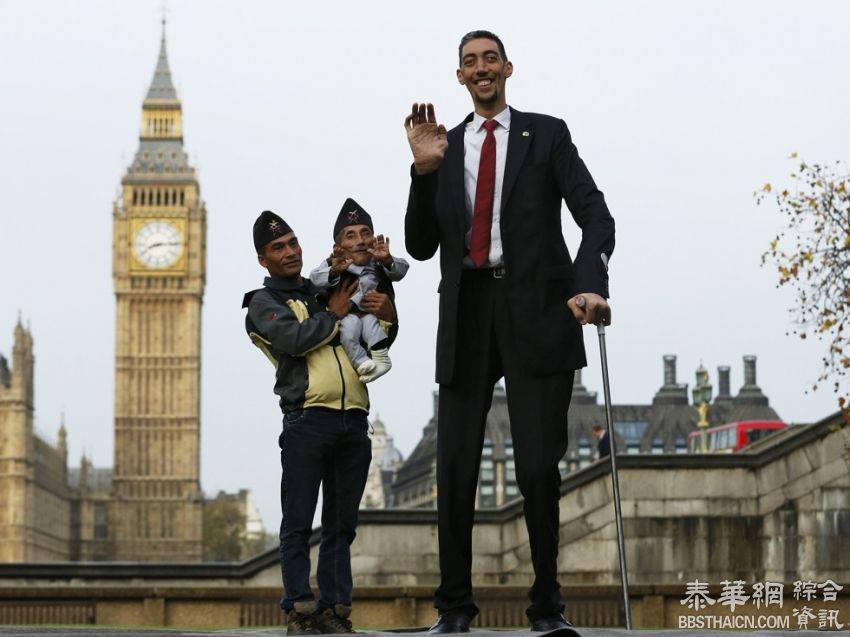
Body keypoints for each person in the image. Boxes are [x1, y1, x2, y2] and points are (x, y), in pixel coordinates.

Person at [403, 30, 615, 634]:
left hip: (539, 308)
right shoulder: (443, 149)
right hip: (468, 310)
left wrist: (590, 282)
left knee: (537, 467)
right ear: (460, 78)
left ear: (508, 68)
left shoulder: (546, 134)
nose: (481, 69)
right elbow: (420, 246)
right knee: (457, 469)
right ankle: (454, 610)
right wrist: (422, 171)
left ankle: (547, 609)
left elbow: (594, 213)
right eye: (469, 62)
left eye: (489, 58)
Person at [242, 210, 395, 635]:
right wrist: (331, 313)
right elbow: (292, 340)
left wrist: (389, 310)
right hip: (307, 420)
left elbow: (371, 328)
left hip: (354, 421)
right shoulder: (263, 302)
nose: (289, 252)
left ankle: (334, 609)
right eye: (278, 247)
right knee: (297, 521)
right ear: (263, 259)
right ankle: (299, 610)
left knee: (341, 526)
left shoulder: (327, 284)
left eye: (292, 243)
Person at [310, 198, 409, 383]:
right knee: (349, 329)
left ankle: (381, 360)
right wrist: (334, 271)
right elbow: (315, 279)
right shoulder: (332, 264)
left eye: (365, 234)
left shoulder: (379, 262)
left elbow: (401, 269)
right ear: (338, 247)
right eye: (351, 236)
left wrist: (387, 260)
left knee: (372, 328)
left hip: (370, 318)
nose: (360, 241)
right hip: (338, 343)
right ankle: (361, 362)